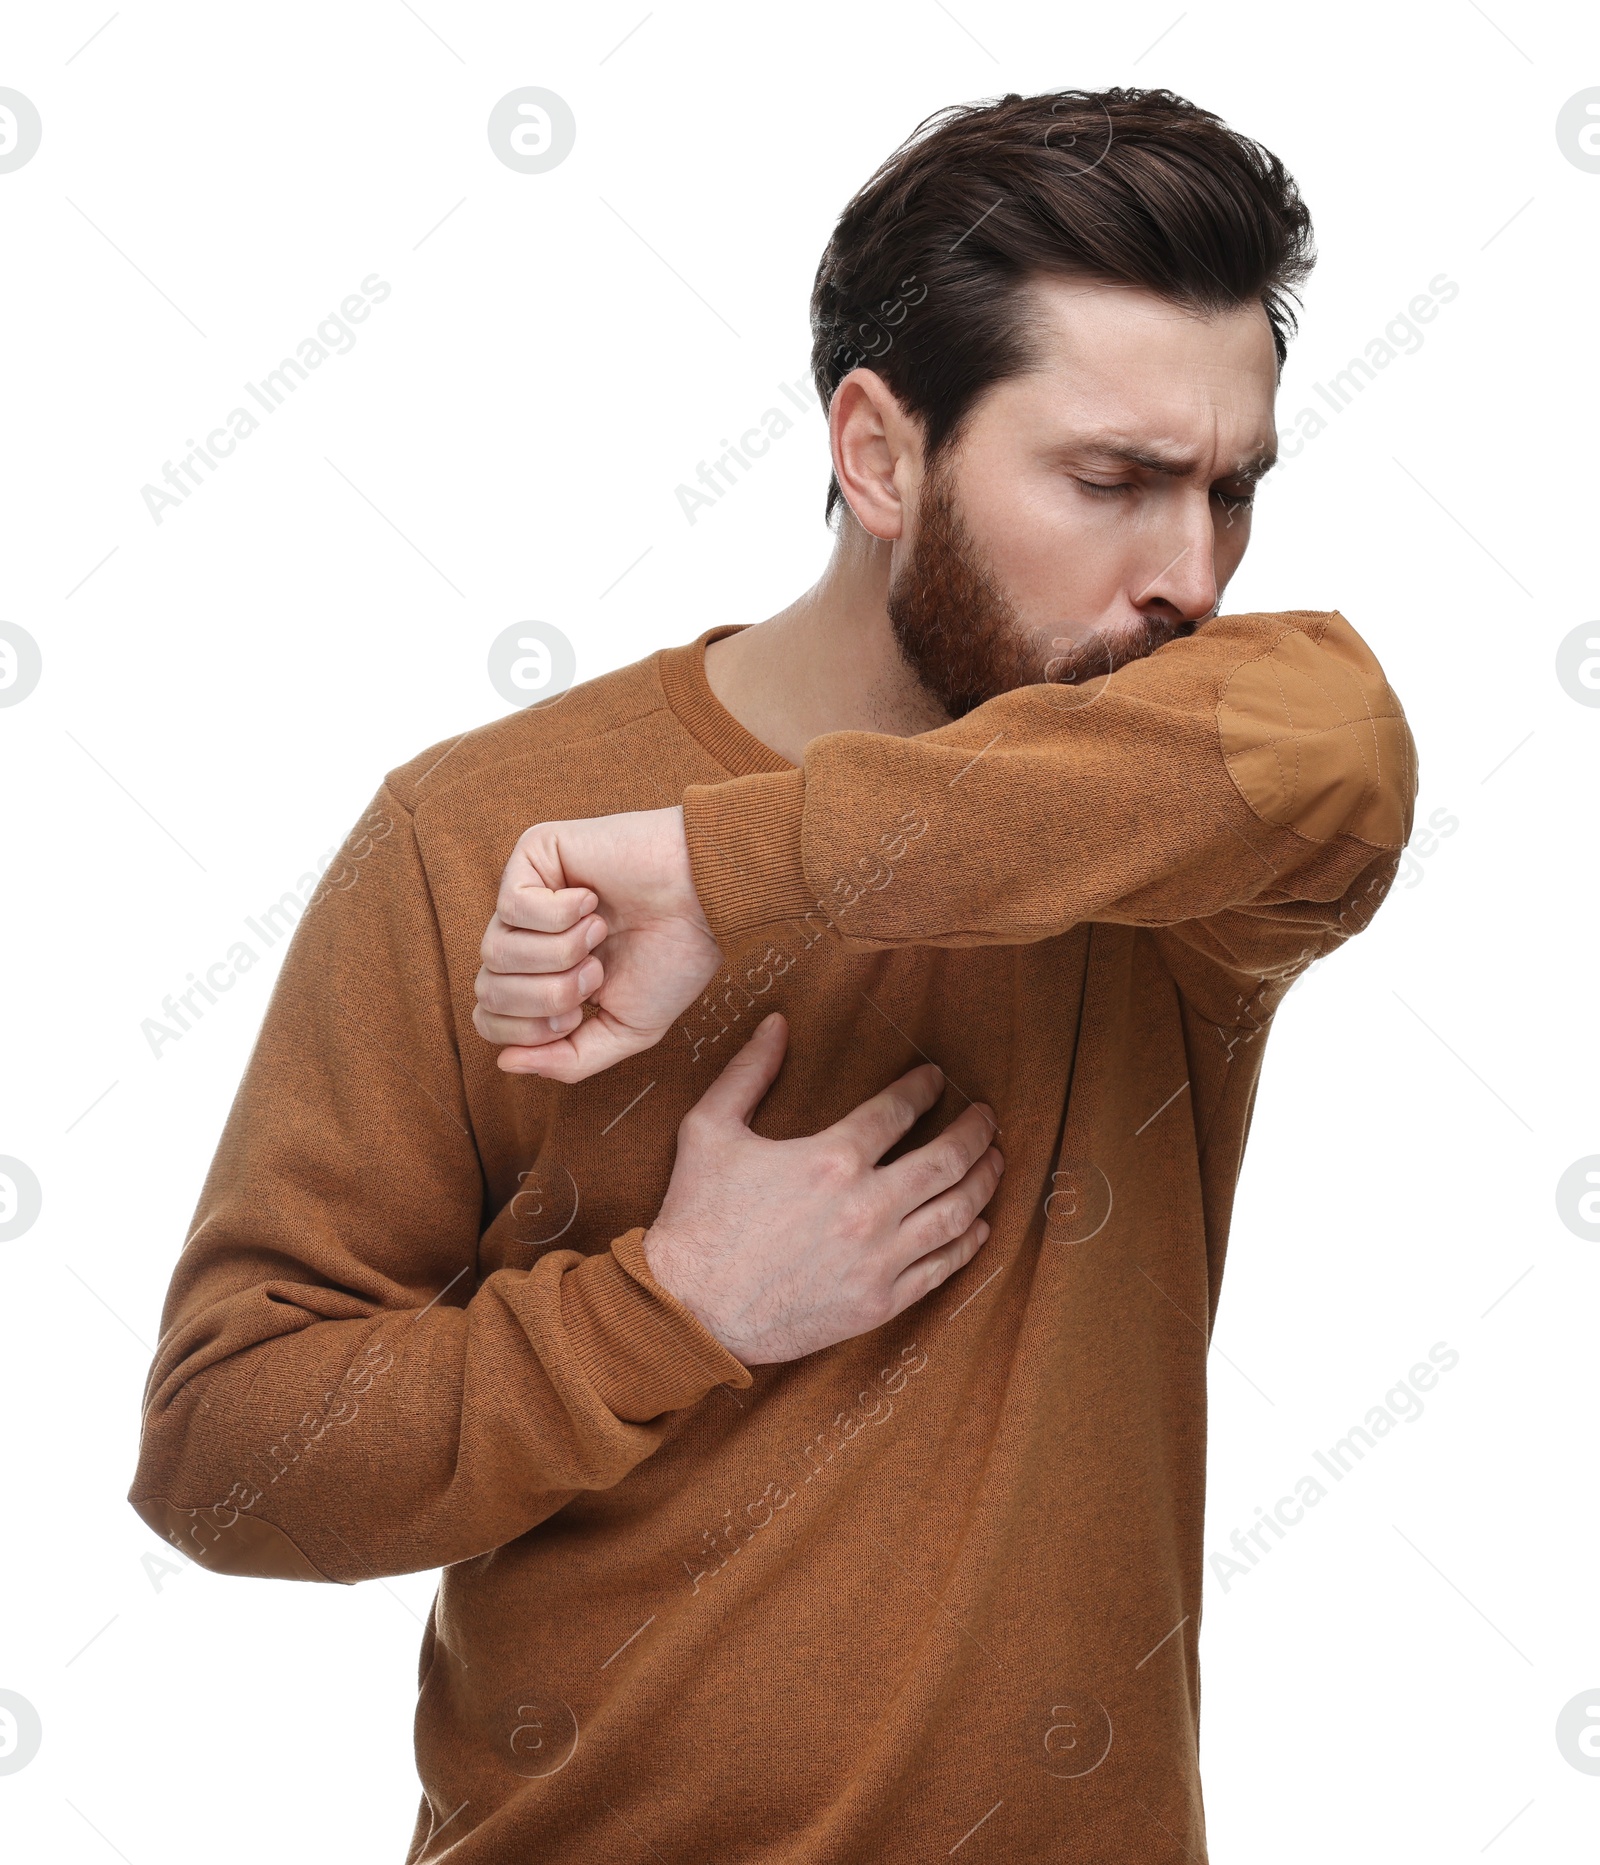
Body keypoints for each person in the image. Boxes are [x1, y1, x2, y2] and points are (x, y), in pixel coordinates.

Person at [131, 88, 1416, 1861]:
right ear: (880, 455)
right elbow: (226, 1454)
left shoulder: (1162, 847)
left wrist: (719, 868)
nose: (1190, 577)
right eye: (1112, 483)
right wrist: (677, 1306)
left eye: (1232, 492)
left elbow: (1339, 736)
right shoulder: (479, 834)